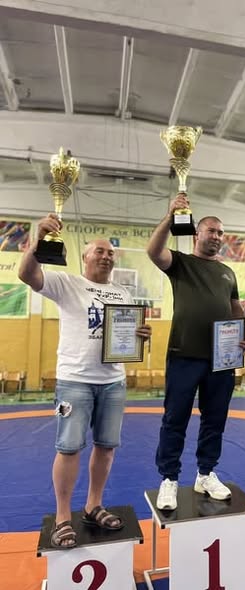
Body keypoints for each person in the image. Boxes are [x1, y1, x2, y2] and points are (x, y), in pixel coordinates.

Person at [18, 213, 152, 549]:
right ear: (85, 257)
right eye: (99, 251)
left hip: (113, 381)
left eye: (111, 253)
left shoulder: (122, 293)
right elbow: (27, 274)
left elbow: (128, 334)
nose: (106, 256)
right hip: (75, 380)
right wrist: (38, 242)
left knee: (106, 447)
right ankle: (63, 516)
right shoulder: (67, 283)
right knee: (68, 448)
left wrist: (139, 336)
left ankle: (93, 505)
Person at [147, 193, 245, 511]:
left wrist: (242, 335)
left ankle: (206, 473)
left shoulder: (228, 273)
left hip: (222, 360)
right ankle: (169, 478)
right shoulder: (181, 262)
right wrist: (169, 216)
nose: (216, 236)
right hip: (184, 353)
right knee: (175, 418)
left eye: (220, 232)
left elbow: (235, 309)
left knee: (215, 420)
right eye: (211, 230)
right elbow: (153, 251)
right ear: (197, 234)